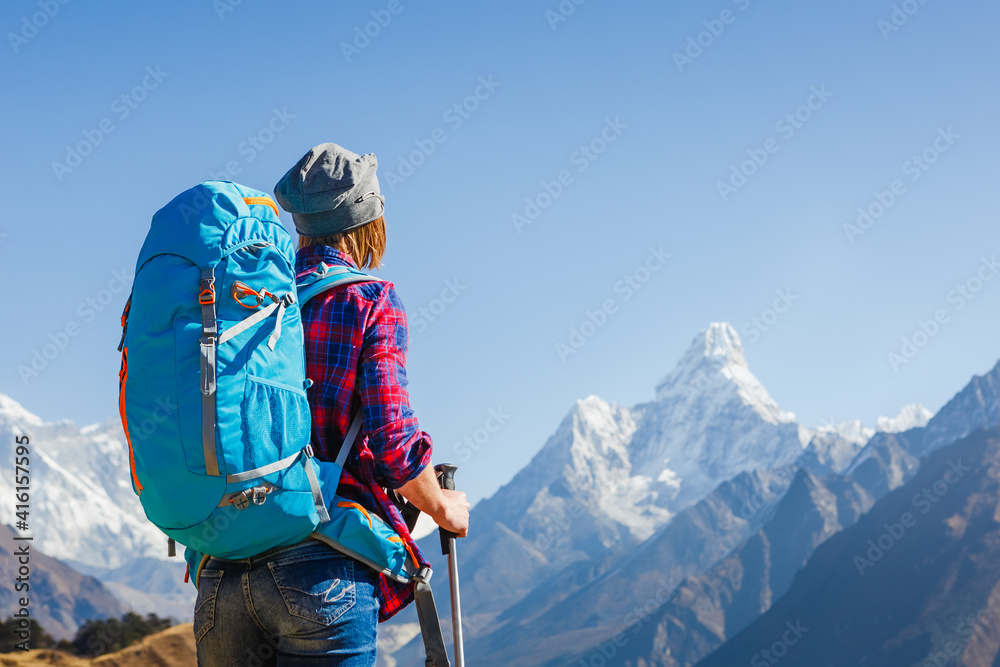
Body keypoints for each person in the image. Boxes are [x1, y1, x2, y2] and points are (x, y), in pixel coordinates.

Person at [194, 143, 470, 666]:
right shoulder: (368, 299)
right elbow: (393, 442)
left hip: (222, 567)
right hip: (321, 566)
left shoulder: (247, 304)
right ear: (369, 220)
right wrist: (442, 507)